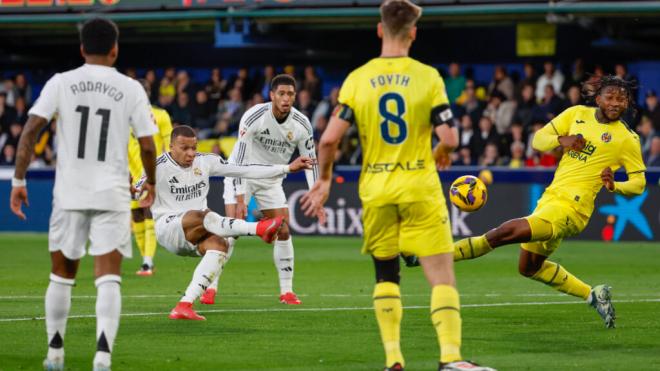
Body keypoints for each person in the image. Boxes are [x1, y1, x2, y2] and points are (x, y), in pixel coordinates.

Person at [300, 1, 495, 370]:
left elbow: (327, 141)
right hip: (419, 185)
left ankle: (393, 359)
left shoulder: (358, 79)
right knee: (441, 275)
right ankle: (450, 358)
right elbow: (451, 137)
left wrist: (324, 180)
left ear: (379, 30)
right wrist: (440, 150)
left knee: (386, 273)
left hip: (376, 188)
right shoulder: (428, 77)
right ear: (413, 34)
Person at [9, 18, 158, 371]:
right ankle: (102, 357)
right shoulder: (131, 88)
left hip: (70, 192)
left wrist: (18, 180)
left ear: (81, 49)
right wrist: (150, 182)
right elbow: (148, 145)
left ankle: (55, 353)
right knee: (108, 276)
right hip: (112, 193)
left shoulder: (62, 82)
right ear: (115, 49)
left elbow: (31, 129)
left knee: (61, 274)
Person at [452, 75, 646, 329]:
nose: (615, 103)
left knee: (505, 232)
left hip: (574, 209)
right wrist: (561, 140)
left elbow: (639, 183)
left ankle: (433, 256)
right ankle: (593, 294)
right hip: (550, 200)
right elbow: (537, 140)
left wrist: (615, 186)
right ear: (598, 99)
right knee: (529, 268)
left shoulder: (626, 139)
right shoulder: (576, 113)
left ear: (627, 102)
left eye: (621, 99)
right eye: (609, 97)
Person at [140, 125, 313, 320]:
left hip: (196, 232)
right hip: (169, 228)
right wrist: (135, 190)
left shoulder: (205, 161)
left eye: (194, 147)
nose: (190, 153)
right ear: (171, 146)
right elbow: (137, 188)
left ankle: (184, 304)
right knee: (202, 214)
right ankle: (258, 228)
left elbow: (245, 170)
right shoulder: (157, 166)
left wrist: (287, 168)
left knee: (219, 245)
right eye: (184, 148)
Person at [201, 74, 322, 306]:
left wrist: (316, 195)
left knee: (284, 229)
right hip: (242, 173)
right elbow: (241, 158)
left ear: (295, 96)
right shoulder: (254, 116)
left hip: (271, 179)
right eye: (281, 94)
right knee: (231, 229)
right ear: (272, 95)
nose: (286, 99)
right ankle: (210, 286)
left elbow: (310, 162)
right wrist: (239, 196)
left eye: (290, 94)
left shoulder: (302, 124)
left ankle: (286, 291)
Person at [128, 79, 174, 276]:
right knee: (137, 216)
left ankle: (147, 262)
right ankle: (146, 261)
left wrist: (165, 172)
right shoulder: (123, 119)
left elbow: (169, 145)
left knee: (148, 214)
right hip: (131, 175)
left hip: (152, 175)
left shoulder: (160, 115)